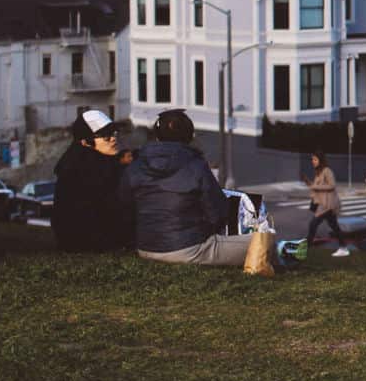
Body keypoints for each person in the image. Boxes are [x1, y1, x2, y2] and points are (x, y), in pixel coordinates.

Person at [119, 109, 251, 267]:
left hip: (145, 247)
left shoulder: (136, 165)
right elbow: (218, 213)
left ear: (157, 136)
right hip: (188, 247)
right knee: (262, 242)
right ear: (189, 136)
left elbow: (124, 208)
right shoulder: (196, 165)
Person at [51, 109, 133, 253]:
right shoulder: (89, 169)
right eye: (105, 136)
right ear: (85, 141)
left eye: (113, 133)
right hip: (90, 245)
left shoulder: (77, 160)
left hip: (80, 244)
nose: (113, 139)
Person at [304, 152, 350, 258]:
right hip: (323, 203)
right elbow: (317, 187)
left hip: (328, 204)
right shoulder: (318, 173)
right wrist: (309, 183)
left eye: (315, 160)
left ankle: (307, 247)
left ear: (321, 160)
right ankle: (343, 247)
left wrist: (315, 187)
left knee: (313, 224)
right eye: (312, 159)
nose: (313, 162)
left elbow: (332, 185)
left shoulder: (327, 171)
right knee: (334, 226)